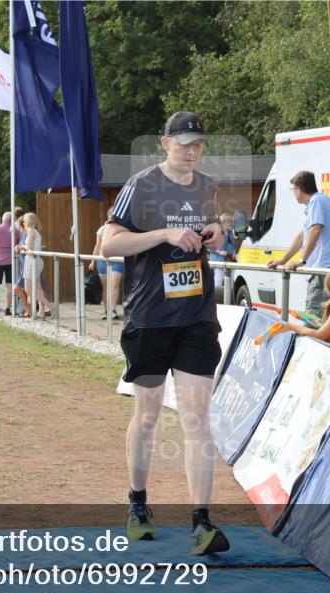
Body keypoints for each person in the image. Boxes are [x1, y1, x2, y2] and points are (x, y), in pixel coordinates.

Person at [100, 111, 229, 556]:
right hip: (150, 317)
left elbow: (215, 228)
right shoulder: (141, 186)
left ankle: (202, 522)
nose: (191, 151)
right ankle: (138, 505)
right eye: (184, 143)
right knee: (149, 415)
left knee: (197, 417)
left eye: (198, 144)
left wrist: (216, 232)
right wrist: (164, 234)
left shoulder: (207, 186)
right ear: (164, 143)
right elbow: (109, 244)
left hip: (196, 316)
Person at [267, 170, 330, 319]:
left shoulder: (316, 202)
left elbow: (315, 230)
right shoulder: (320, 201)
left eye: (293, 189)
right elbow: (302, 236)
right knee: (328, 319)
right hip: (329, 269)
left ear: (299, 189)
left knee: (314, 318)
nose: (293, 193)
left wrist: (302, 260)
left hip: (322, 270)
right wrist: (283, 260)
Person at [89, 207, 124, 320]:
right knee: (105, 286)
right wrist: (92, 261)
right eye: (111, 214)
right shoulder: (102, 229)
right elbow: (97, 245)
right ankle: (106, 310)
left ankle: (113, 309)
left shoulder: (122, 228)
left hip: (118, 258)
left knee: (115, 284)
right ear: (108, 215)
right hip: (102, 259)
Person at [21, 213, 52, 317]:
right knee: (38, 288)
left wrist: (20, 247)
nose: (23, 222)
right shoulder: (36, 232)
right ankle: (42, 310)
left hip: (31, 261)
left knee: (28, 289)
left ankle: (50, 306)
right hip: (37, 260)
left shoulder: (30, 231)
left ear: (29, 221)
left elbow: (29, 248)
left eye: (24, 220)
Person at [210, 212, 237, 291]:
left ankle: (231, 294)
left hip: (230, 259)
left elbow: (234, 244)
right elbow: (211, 246)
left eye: (230, 222)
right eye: (227, 222)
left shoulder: (230, 232)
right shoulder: (217, 232)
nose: (229, 224)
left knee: (232, 277)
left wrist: (234, 252)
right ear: (222, 223)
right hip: (219, 259)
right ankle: (216, 297)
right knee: (219, 278)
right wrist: (220, 252)